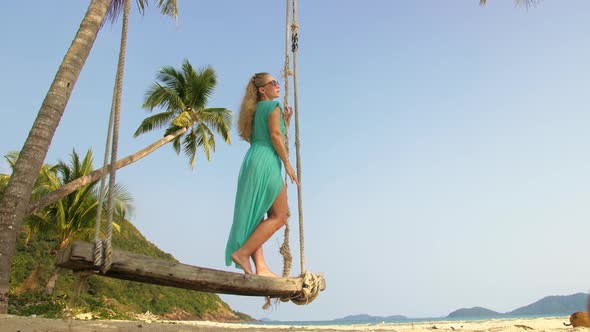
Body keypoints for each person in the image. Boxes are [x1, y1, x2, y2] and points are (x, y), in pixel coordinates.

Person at [225, 72, 299, 277]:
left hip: (254, 159)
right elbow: (275, 136)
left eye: (277, 82)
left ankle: (261, 266)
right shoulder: (272, 106)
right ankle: (243, 253)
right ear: (262, 89)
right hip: (267, 161)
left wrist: (286, 121)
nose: (278, 85)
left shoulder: (256, 110)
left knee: (257, 213)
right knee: (280, 216)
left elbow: (269, 135)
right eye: (272, 83)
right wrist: (288, 164)